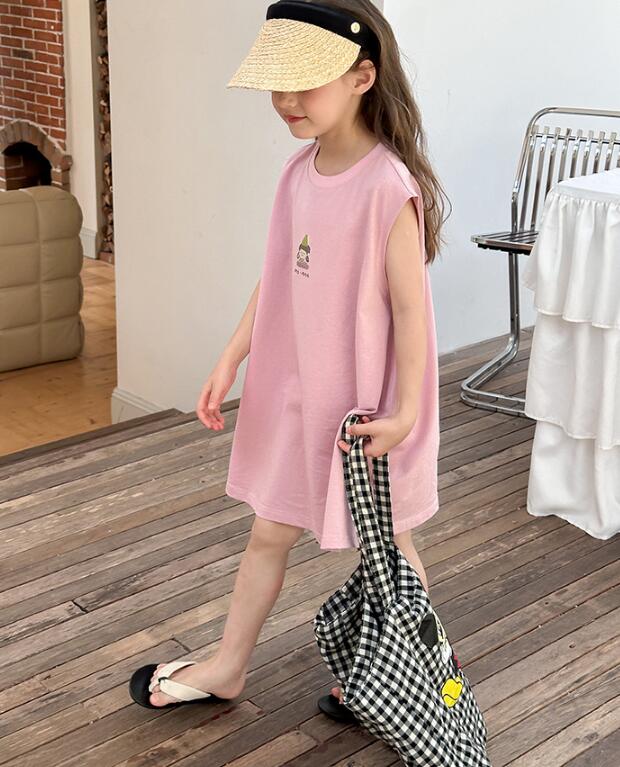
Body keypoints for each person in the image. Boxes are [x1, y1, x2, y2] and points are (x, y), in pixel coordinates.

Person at [129, 0, 450, 719]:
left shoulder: (387, 187)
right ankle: (227, 666)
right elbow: (277, 274)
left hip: (365, 411)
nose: (285, 100)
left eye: (305, 83)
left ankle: (418, 684)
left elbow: (411, 312)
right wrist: (232, 356)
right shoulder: (298, 172)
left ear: (363, 76)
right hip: (300, 395)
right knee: (270, 528)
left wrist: (406, 413)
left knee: (390, 547)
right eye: (278, 84)